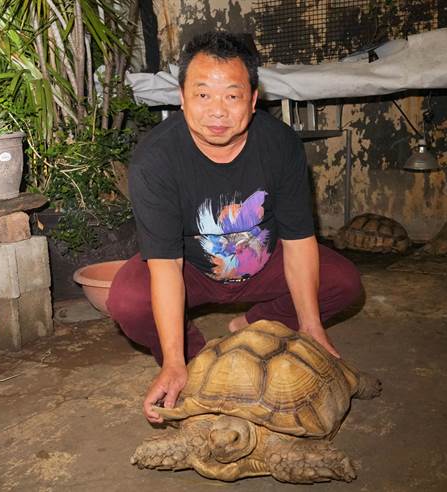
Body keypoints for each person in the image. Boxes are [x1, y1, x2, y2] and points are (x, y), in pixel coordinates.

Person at [106, 31, 362, 424]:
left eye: (232, 95)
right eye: (203, 94)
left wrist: (311, 327)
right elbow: (166, 265)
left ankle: (250, 323)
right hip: (192, 270)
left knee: (342, 282)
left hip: (264, 262)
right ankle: (196, 359)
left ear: (253, 99)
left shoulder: (280, 145)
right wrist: (173, 361)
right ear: (182, 97)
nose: (217, 111)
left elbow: (298, 241)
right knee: (128, 300)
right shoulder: (154, 160)